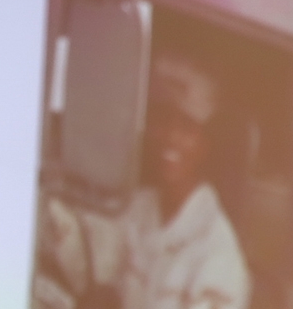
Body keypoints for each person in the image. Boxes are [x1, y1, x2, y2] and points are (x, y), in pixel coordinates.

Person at [36, 55, 251, 309]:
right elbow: (84, 247)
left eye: (187, 128)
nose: (170, 137)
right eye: (162, 120)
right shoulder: (138, 207)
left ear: (206, 144)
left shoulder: (217, 255)